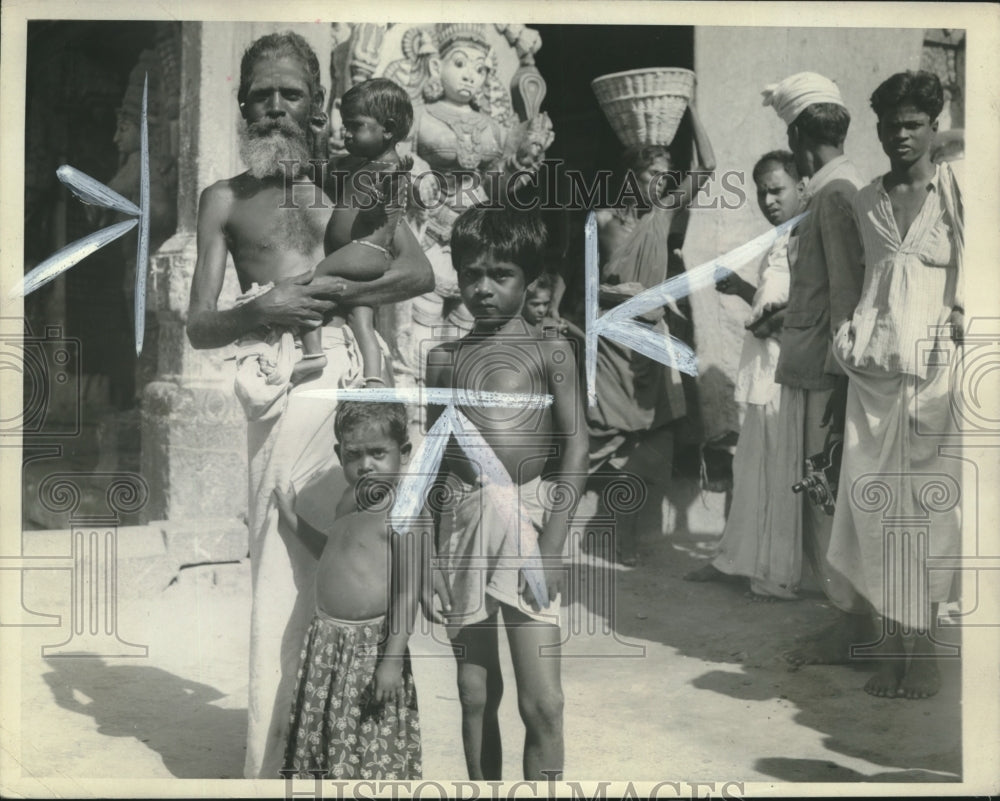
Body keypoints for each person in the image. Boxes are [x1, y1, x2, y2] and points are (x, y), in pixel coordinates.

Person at [184, 32, 433, 779]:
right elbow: (198, 324)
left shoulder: (351, 186)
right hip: (279, 381)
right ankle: (272, 761)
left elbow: (417, 272)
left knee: (361, 554)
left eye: (291, 92)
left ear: (318, 103)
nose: (276, 106)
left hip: (350, 385)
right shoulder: (222, 200)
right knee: (279, 576)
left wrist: (331, 294)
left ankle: (352, 749)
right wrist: (268, 306)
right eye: (261, 93)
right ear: (242, 106)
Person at [424, 206, 588, 779]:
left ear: (531, 280)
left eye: (501, 275)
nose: (483, 289)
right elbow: (434, 462)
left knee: (543, 703)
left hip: (532, 519)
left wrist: (553, 545)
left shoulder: (553, 352)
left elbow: (575, 449)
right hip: (465, 524)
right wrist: (428, 560)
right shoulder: (444, 360)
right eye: (471, 275)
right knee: (475, 695)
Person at [829, 71, 963, 699]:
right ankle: (888, 644)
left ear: (934, 126)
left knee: (935, 510)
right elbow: (869, 286)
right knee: (872, 508)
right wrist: (850, 336)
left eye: (913, 124)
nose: (900, 135)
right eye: (890, 125)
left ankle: (930, 648)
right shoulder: (865, 199)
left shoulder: (957, 190)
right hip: (875, 374)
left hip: (937, 374)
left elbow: (974, 273)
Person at [759, 72, 871, 666]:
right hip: (821, 368)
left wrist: (835, 379)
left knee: (824, 497)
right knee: (826, 495)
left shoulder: (832, 193)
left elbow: (847, 296)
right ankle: (847, 622)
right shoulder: (844, 184)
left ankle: (848, 626)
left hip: (823, 373)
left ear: (800, 135)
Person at [588, 101, 716, 565]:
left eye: (666, 176)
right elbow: (583, 292)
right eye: (650, 175)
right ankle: (573, 517)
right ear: (630, 178)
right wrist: (615, 292)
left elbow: (708, 166)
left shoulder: (662, 216)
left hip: (650, 341)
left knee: (653, 440)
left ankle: (624, 537)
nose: (660, 184)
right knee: (608, 435)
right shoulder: (601, 221)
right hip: (612, 343)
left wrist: (689, 106)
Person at [275, 401, 423, 778]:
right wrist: (293, 520)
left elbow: (408, 591)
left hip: (370, 647)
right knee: (327, 734)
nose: (366, 465)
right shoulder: (348, 499)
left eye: (378, 453)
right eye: (354, 455)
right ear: (340, 454)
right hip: (326, 640)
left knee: (369, 740)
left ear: (403, 454)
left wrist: (391, 660)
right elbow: (332, 552)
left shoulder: (403, 511)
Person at [685, 150, 805, 598]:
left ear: (801, 187)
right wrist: (741, 289)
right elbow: (773, 303)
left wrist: (778, 321)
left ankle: (776, 572)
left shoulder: (806, 237)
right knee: (752, 467)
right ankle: (734, 559)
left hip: (785, 370)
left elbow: (812, 306)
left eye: (777, 190)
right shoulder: (780, 238)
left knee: (777, 471)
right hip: (763, 368)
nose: (768, 200)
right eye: (762, 192)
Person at [293, 78, 414, 386]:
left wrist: (386, 189)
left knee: (309, 285)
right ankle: (374, 377)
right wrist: (318, 139)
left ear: (387, 129)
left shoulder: (390, 172)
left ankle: (312, 354)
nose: (345, 133)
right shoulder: (360, 165)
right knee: (362, 319)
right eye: (344, 126)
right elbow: (321, 177)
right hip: (358, 257)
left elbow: (378, 218)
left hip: (364, 252)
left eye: (355, 126)